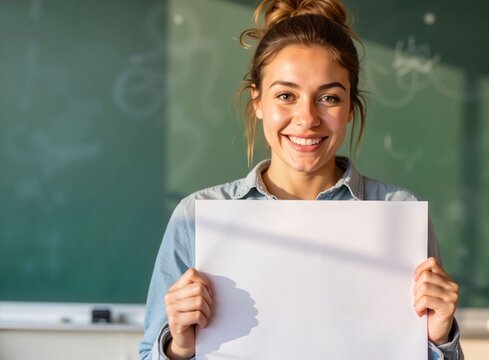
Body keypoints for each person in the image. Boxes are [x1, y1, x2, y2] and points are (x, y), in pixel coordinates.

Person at [140, 0, 463, 359]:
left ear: (350, 108)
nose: (307, 118)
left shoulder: (397, 213)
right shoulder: (196, 217)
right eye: (285, 96)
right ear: (258, 102)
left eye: (329, 97)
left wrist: (438, 335)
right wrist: (179, 346)